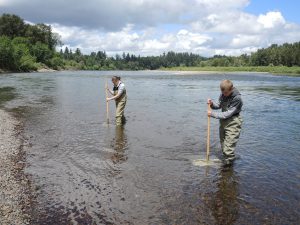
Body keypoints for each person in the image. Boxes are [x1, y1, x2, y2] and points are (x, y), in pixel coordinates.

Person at [207, 80, 243, 166]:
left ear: (231, 89)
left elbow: (228, 113)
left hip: (233, 122)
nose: (224, 94)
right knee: (223, 145)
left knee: (228, 148)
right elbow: (218, 105)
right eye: (222, 92)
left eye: (226, 93)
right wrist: (212, 104)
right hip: (223, 122)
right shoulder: (223, 94)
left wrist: (212, 114)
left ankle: (228, 168)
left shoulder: (237, 98)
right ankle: (226, 164)